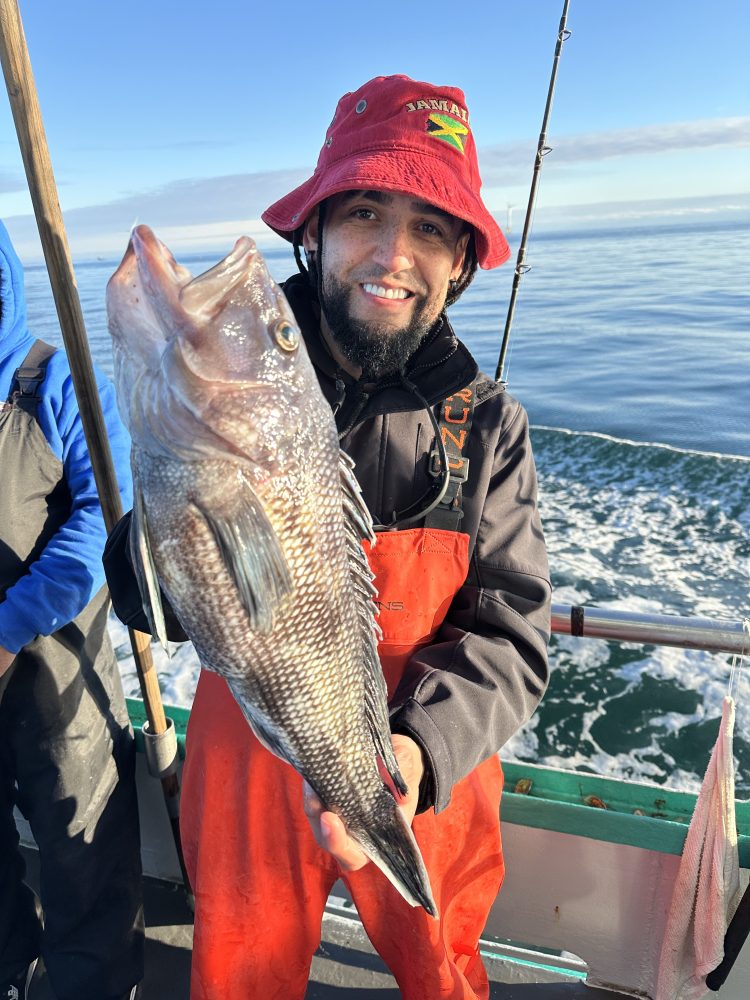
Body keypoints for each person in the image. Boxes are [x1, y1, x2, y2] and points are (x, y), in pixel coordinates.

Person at [105, 74, 552, 1000]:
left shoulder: (491, 424)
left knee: (443, 968)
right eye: (363, 212)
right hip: (252, 742)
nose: (394, 254)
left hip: (422, 760)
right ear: (313, 234)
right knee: (236, 968)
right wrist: (168, 503)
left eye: (432, 227)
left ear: (463, 260)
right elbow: (155, 606)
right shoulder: (237, 385)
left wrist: (418, 753)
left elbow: (513, 636)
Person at [0, 221, 144, 1000]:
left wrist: (6, 630)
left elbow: (103, 520)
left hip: (59, 672)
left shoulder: (59, 383)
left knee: (84, 852)